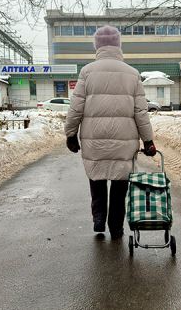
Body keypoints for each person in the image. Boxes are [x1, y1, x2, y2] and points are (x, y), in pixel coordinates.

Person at [65, 25, 157, 240]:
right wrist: (148, 140)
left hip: (93, 138)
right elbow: (141, 112)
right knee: (119, 184)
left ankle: (98, 219)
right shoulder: (132, 74)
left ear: (97, 46)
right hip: (124, 141)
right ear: (118, 46)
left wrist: (70, 133)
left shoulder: (87, 72)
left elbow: (76, 107)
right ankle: (116, 226)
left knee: (96, 178)